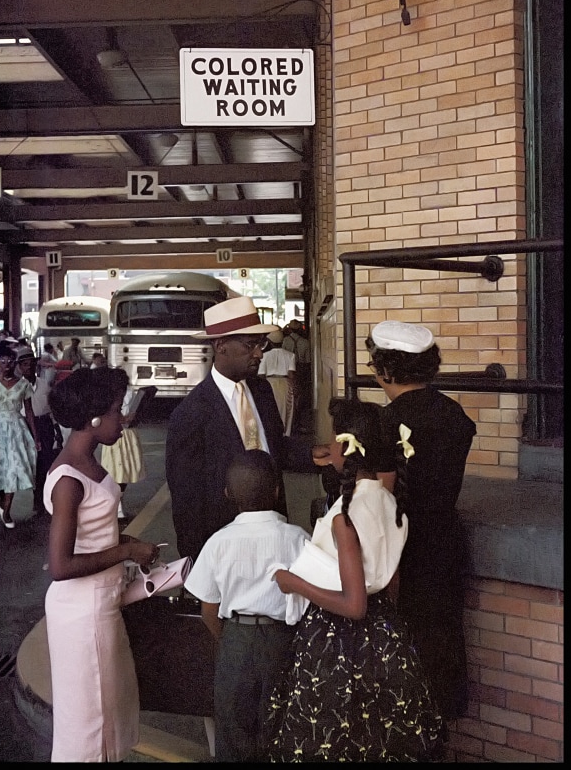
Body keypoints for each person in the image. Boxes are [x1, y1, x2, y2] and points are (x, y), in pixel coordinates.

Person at [265, 397, 444, 762]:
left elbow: (354, 605)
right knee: (380, 738)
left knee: (332, 737)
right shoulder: (391, 504)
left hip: (339, 642)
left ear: (347, 447)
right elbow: (390, 583)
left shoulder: (344, 518)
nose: (328, 446)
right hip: (386, 635)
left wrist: (292, 582)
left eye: (332, 439)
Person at [44, 366, 161, 763]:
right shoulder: (69, 480)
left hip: (100, 602)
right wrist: (125, 552)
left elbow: (93, 535)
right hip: (82, 611)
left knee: (107, 710)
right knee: (89, 722)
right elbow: (60, 565)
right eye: (115, 410)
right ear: (93, 419)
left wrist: (128, 543)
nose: (122, 419)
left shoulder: (87, 463)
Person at [366, 319, 477, 721]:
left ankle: (407, 730)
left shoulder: (384, 421)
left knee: (403, 644)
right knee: (443, 640)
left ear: (386, 370)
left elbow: (381, 499)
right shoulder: (455, 415)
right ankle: (440, 726)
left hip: (402, 551)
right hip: (445, 541)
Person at [166, 296, 325, 563]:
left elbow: (272, 446)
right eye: (250, 345)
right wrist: (197, 559)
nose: (259, 353)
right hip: (226, 546)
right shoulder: (191, 414)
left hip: (275, 532)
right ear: (220, 345)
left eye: (261, 344)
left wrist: (312, 454)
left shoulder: (262, 390)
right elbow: (186, 498)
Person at [184, 450, 310, 763]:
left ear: (228, 494)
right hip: (283, 640)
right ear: (277, 491)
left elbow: (208, 610)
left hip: (235, 639)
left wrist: (229, 639)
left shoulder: (218, 542)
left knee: (233, 730)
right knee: (282, 726)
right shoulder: (297, 539)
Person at [0, 341, 40, 528]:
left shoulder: (23, 385)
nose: (7, 365)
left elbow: (29, 411)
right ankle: (2, 498)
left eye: (11, 362)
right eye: (3, 361)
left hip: (17, 430)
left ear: (15, 364)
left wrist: (35, 437)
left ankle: (7, 510)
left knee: (13, 468)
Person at [15, 345, 60, 516]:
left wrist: (56, 429)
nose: (29, 367)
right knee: (31, 465)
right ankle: (34, 498)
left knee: (45, 463)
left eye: (31, 363)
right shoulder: (17, 386)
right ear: (20, 367)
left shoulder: (44, 384)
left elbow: (51, 409)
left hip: (44, 425)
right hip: (25, 426)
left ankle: (42, 500)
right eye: (25, 364)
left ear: (36, 365)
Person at [101, 382, 146, 519]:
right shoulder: (109, 394)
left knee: (124, 471)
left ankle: (119, 502)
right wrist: (124, 418)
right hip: (117, 433)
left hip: (127, 433)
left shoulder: (127, 392)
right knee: (116, 471)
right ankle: (116, 506)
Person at [257, 328, 296, 436]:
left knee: (270, 410)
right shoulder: (291, 355)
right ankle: (285, 434)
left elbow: (261, 375)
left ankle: (272, 434)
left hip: (269, 384)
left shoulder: (264, 356)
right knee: (286, 412)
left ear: (270, 342)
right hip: (285, 384)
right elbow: (291, 375)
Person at [282, 318, 311, 432]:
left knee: (289, 396)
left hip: (288, 371)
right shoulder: (305, 342)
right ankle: (297, 422)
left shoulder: (285, 341)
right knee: (299, 397)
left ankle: (290, 421)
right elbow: (308, 361)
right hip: (301, 369)